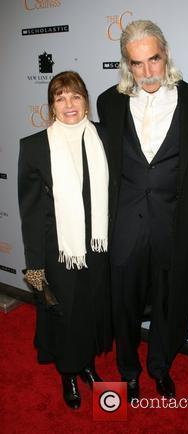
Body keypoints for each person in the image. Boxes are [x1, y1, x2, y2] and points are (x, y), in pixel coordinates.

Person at [97, 20, 188, 401]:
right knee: (123, 302)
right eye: (137, 63)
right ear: (126, 63)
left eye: (153, 59)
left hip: (172, 224)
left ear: (165, 54)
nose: (147, 72)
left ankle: (159, 366)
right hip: (125, 224)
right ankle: (129, 369)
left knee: (168, 303)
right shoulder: (109, 101)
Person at [18, 71, 112, 410]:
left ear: (86, 101)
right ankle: (68, 372)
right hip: (60, 249)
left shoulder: (105, 137)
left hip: (98, 245)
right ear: (51, 106)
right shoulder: (33, 147)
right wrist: (35, 265)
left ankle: (86, 363)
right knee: (65, 312)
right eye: (60, 98)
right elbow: (29, 212)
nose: (69, 104)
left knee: (91, 308)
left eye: (75, 96)